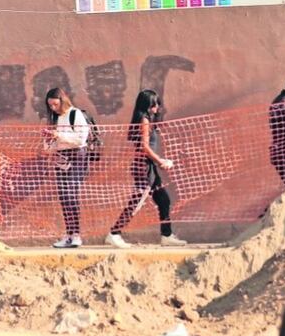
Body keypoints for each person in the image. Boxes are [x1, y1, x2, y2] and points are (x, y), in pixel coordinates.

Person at [105, 90, 187, 249]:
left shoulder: (147, 119)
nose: (156, 108)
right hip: (144, 167)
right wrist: (161, 161)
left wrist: (157, 163)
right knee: (137, 202)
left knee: (163, 200)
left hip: (150, 167)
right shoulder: (144, 120)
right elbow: (144, 146)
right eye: (153, 105)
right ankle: (114, 233)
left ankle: (166, 235)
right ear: (146, 105)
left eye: (157, 104)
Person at [44, 87, 90, 248]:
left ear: (62, 101)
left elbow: (80, 139)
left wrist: (59, 135)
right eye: (50, 105)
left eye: (55, 104)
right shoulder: (54, 118)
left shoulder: (75, 114)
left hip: (77, 157)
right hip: (60, 158)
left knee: (71, 193)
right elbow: (50, 147)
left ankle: (76, 234)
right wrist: (48, 140)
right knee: (63, 196)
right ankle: (69, 234)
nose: (53, 108)